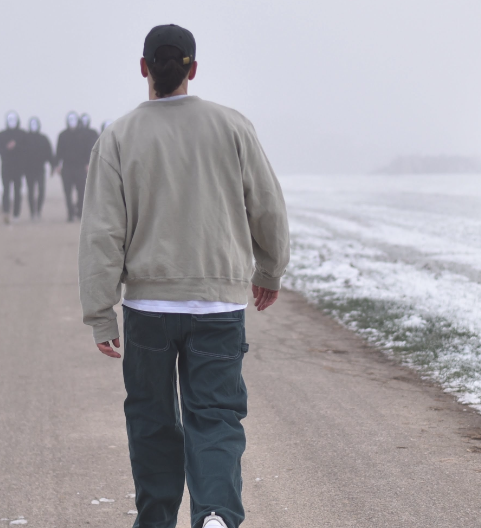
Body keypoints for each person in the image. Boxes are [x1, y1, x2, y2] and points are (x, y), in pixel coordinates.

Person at [78, 24, 290, 528]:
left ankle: (155, 520)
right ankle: (215, 513)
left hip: (148, 310)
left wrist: (100, 313)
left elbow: (102, 233)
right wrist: (269, 269)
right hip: (219, 306)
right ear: (193, 69)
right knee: (215, 418)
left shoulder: (119, 136)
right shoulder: (232, 126)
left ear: (144, 68)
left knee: (152, 423)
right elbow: (268, 207)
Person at [53, 111, 89, 221]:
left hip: (80, 167)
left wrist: (88, 163)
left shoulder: (84, 135)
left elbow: (88, 150)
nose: (72, 122)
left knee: (81, 191)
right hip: (67, 167)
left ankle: (79, 211)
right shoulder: (62, 135)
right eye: (70, 120)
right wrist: (57, 165)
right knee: (67, 192)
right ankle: (70, 214)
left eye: (74, 120)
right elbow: (58, 151)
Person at [0, 111, 26, 223]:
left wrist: (16, 146)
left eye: (14, 120)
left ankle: (16, 214)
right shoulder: (2, 135)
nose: (12, 122)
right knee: (6, 190)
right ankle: (6, 212)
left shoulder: (22, 134)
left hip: (18, 167)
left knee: (17, 191)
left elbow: (27, 149)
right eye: (10, 120)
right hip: (6, 167)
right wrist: (7, 148)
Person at [22, 116, 53, 219]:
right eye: (32, 124)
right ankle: (32, 212)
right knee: (30, 191)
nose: (34, 126)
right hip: (28, 169)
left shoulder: (43, 138)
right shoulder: (25, 138)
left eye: (35, 124)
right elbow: (20, 154)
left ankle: (38, 209)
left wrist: (53, 165)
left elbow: (49, 153)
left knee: (41, 190)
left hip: (40, 169)